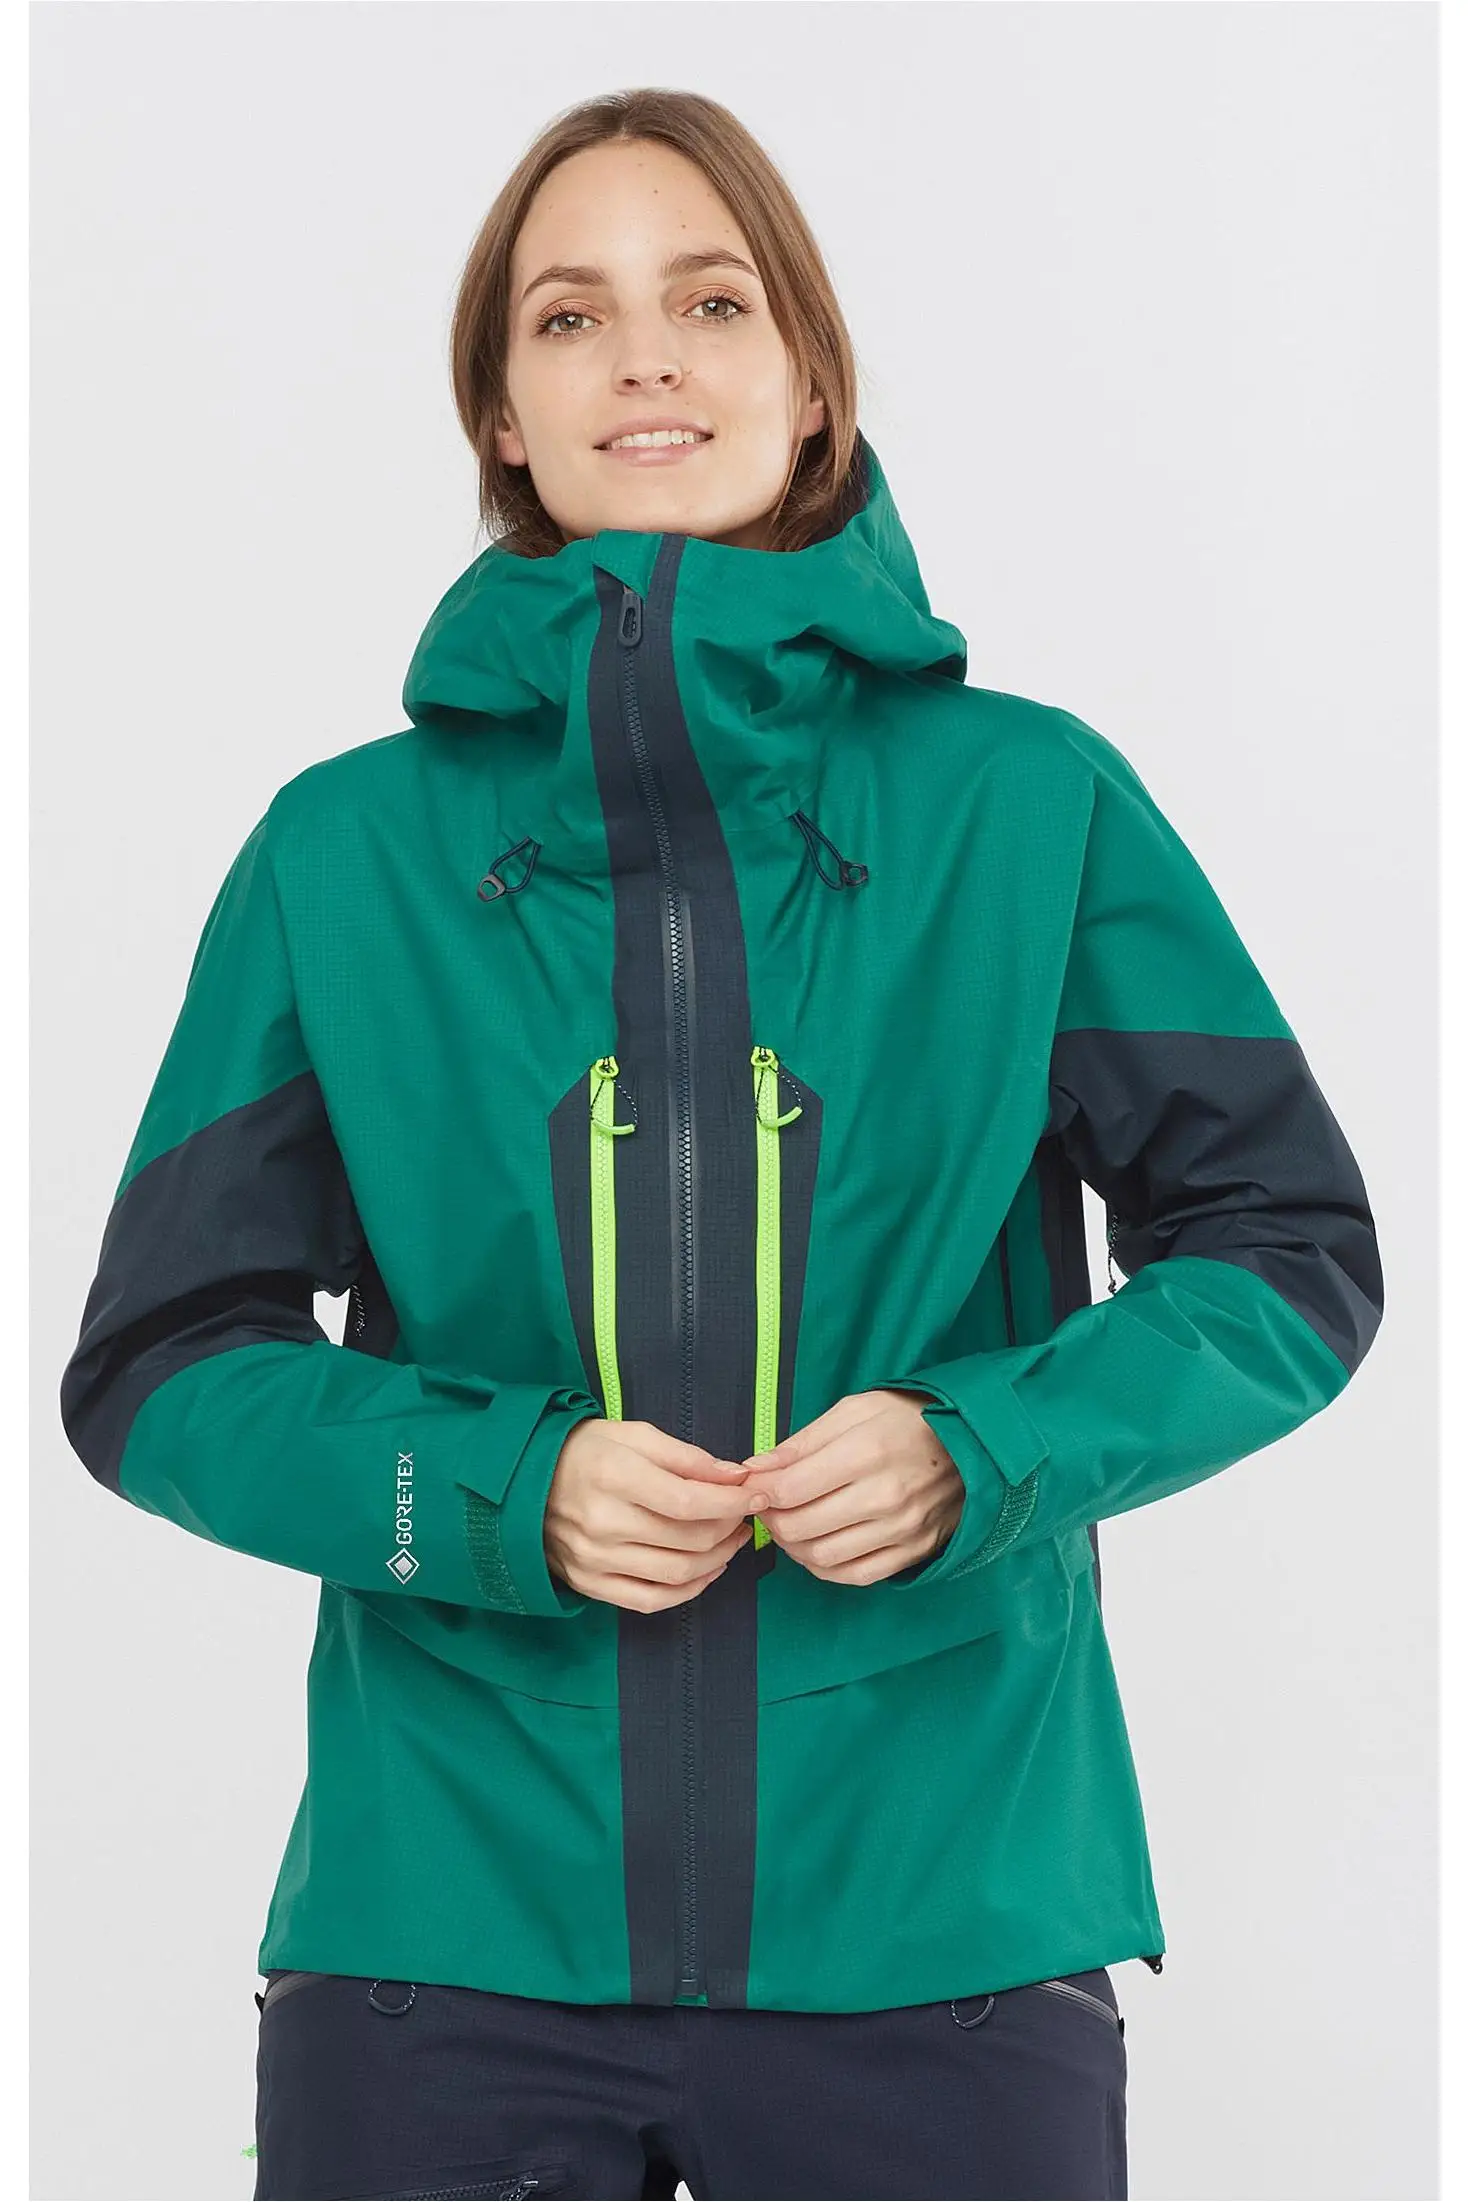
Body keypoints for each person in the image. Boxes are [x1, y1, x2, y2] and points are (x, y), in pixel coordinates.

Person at [58, 86, 1383, 2202]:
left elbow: (1287, 1250)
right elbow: (159, 1363)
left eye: (709, 299)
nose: (645, 358)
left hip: (946, 1929)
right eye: (570, 316)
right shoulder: (339, 854)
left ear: (810, 381)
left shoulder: (1028, 807)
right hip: (440, 1944)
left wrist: (980, 1444)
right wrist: (495, 1491)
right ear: (502, 416)